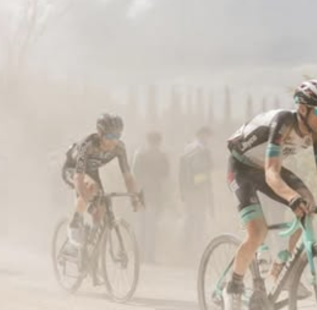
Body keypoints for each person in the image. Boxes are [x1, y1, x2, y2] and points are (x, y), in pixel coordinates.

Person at [222, 79, 317, 310]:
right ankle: (233, 288)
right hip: (241, 168)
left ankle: (284, 269)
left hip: (264, 169)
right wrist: (291, 198)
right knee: (257, 232)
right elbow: (271, 173)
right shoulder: (283, 123)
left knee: (308, 202)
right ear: (303, 109)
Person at [61, 113, 142, 256]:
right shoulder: (88, 146)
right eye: (110, 137)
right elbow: (79, 179)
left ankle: (92, 254)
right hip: (73, 169)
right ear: (100, 134)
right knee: (91, 189)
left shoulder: (119, 148)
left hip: (91, 172)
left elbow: (128, 176)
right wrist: (88, 200)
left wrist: (134, 197)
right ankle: (75, 224)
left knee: (101, 210)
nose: (114, 141)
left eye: (117, 136)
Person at [132, 131, 171, 263]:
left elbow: (134, 174)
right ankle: (149, 257)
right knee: (151, 227)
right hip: (154, 195)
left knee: (141, 226)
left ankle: (140, 256)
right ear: (159, 142)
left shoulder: (140, 154)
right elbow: (166, 174)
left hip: (141, 194)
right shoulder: (162, 156)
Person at [179, 126, 214, 257]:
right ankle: (194, 251)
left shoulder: (189, 147)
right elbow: (198, 171)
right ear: (201, 135)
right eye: (207, 136)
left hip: (191, 191)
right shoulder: (199, 150)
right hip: (197, 191)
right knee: (197, 221)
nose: (208, 139)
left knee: (191, 220)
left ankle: (187, 250)